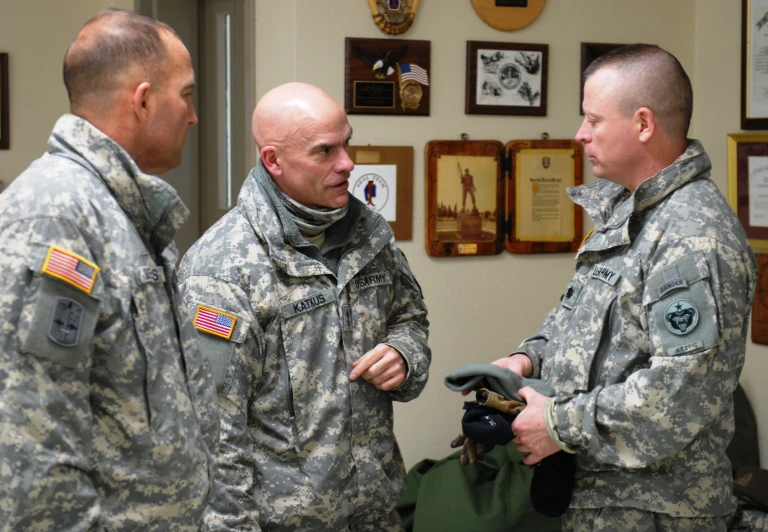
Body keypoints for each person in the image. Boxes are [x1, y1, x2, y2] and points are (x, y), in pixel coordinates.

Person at [490, 44, 758, 530]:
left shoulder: (692, 235)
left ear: (642, 124)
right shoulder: (628, 212)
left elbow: (678, 396)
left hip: (659, 512)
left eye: (593, 120)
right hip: (600, 502)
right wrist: (526, 359)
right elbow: (578, 321)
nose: (580, 134)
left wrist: (557, 425)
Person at [0, 9, 219, 530]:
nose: (193, 116)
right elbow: (32, 450)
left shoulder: (127, 213)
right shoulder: (56, 217)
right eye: (186, 95)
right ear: (142, 100)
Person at [178, 82, 431, 530]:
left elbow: (409, 318)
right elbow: (212, 436)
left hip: (377, 514)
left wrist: (404, 355)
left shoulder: (370, 234)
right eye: (325, 151)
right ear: (273, 160)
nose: (348, 163)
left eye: (347, 143)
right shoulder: (222, 266)